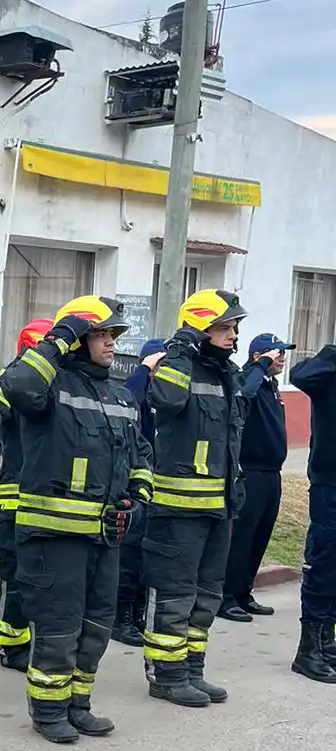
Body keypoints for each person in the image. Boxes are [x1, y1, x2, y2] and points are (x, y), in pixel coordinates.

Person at [0, 296, 152, 743]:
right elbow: (18, 385)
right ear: (79, 340)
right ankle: (48, 711)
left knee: (96, 627)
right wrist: (58, 338)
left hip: (105, 540)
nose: (111, 343)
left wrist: (138, 498)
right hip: (55, 539)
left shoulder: (121, 395)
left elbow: (141, 454)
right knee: (58, 628)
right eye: (101, 334)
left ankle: (78, 705)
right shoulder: (49, 389)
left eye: (113, 335)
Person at [144, 288, 248, 707]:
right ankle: (166, 674)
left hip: (218, 506)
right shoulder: (176, 367)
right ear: (201, 328)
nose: (233, 335)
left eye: (234, 327)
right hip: (178, 510)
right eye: (224, 327)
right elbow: (166, 399)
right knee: (175, 593)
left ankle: (191, 669)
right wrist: (181, 348)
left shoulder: (226, 373)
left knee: (207, 595)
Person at [0, 318, 53, 671]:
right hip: (15, 498)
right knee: (14, 575)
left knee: (40, 576)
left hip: (46, 499)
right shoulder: (5, 384)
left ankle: (36, 640)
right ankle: (12, 645)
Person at [218, 332, 293, 622]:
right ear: (257, 356)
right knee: (242, 537)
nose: (282, 358)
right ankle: (226, 597)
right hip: (250, 472)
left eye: (283, 353)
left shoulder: (271, 386)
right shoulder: (247, 379)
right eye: (276, 353)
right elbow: (243, 394)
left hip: (272, 473)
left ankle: (243, 592)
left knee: (260, 536)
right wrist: (259, 366)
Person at [112, 337, 165, 647]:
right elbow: (130, 396)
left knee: (147, 558)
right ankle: (121, 620)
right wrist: (145, 369)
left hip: (158, 483)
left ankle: (138, 614)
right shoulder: (137, 392)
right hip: (134, 481)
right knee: (130, 556)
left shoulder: (166, 395)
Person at [288, 341, 336, 682]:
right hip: (329, 485)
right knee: (323, 563)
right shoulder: (328, 370)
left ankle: (327, 642)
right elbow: (300, 375)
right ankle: (308, 650)